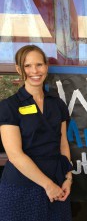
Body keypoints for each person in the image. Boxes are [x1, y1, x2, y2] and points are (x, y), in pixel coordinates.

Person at [0, 45, 73, 221]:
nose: (35, 71)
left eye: (39, 64)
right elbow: (15, 155)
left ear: (46, 67)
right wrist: (48, 186)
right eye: (27, 66)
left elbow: (63, 144)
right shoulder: (9, 106)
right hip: (22, 187)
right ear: (19, 69)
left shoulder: (58, 104)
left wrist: (68, 178)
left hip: (58, 185)